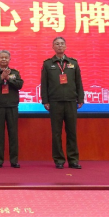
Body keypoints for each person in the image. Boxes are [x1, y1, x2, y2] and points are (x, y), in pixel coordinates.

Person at [40, 37, 84, 169]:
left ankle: (73, 160)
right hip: (55, 102)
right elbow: (44, 84)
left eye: (62, 44)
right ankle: (59, 160)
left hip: (71, 101)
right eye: (57, 44)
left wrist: (80, 98)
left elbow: (78, 82)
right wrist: (45, 101)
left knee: (72, 132)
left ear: (65, 46)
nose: (60, 46)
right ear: (53, 47)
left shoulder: (73, 63)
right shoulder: (48, 64)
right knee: (56, 133)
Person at [0, 50, 24, 168]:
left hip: (12, 106)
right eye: (1, 57)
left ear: (9, 59)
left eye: (6, 57)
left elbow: (19, 85)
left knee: (13, 134)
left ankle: (14, 160)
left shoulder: (15, 73)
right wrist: (1, 78)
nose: (4, 59)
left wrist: (8, 78)